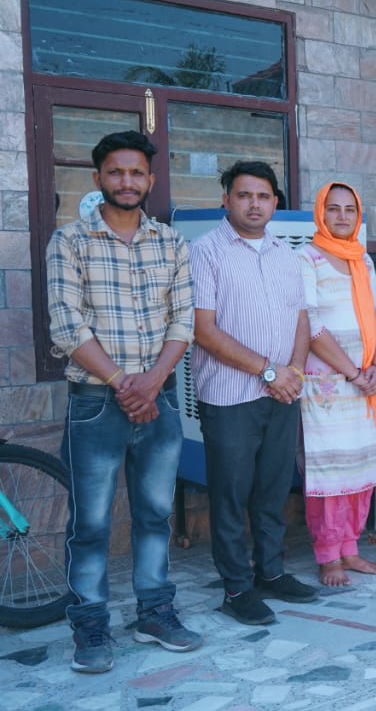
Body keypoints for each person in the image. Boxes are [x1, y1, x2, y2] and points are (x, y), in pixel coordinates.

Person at [47, 130, 200, 672]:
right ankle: (90, 626)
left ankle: (154, 612)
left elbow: (183, 321)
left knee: (156, 514)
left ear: (151, 180)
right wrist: (122, 383)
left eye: (137, 173)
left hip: (159, 401)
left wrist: (152, 382)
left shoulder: (171, 244)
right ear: (98, 179)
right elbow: (67, 326)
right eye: (116, 172)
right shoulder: (69, 241)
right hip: (95, 403)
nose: (127, 181)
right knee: (90, 523)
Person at [191, 160, 318, 626]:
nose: (254, 204)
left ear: (275, 203)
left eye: (263, 196)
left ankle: (271, 572)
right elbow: (204, 330)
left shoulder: (286, 254)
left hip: (282, 393)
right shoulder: (205, 252)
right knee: (230, 494)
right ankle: (236, 588)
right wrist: (269, 372)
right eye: (244, 195)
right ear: (226, 199)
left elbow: (300, 318)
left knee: (272, 489)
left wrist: (294, 372)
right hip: (230, 397)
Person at [296, 182, 376, 587]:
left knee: (359, 466)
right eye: (333, 209)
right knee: (329, 470)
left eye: (350, 209)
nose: (342, 216)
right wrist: (353, 373)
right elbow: (311, 326)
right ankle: (327, 554)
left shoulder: (362, 260)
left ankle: (350, 548)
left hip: (365, 384)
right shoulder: (307, 258)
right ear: (320, 213)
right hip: (327, 386)